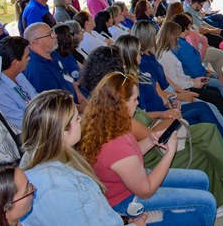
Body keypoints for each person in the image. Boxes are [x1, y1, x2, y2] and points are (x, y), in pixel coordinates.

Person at [78, 48, 223, 214]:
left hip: (142, 160)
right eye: (135, 100)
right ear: (121, 103)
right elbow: (146, 190)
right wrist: (170, 147)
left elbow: (138, 144)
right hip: (133, 193)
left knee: (206, 133)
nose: (137, 103)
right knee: (200, 158)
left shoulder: (110, 117)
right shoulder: (118, 137)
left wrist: (154, 134)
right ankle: (212, 202)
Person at [20, 90, 143, 226]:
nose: (81, 119)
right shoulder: (57, 188)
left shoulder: (50, 158)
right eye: (76, 118)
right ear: (62, 132)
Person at [23, 23, 81, 106]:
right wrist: (81, 108)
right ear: (36, 42)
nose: (55, 35)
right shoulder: (37, 70)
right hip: (66, 109)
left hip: (74, 100)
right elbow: (55, 106)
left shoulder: (52, 53)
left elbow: (68, 77)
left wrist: (81, 99)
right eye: (49, 34)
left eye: (53, 31)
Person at [0, 37, 36, 130]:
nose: (29, 59)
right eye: (27, 56)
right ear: (16, 62)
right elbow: (24, 125)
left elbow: (36, 97)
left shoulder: (18, 74)